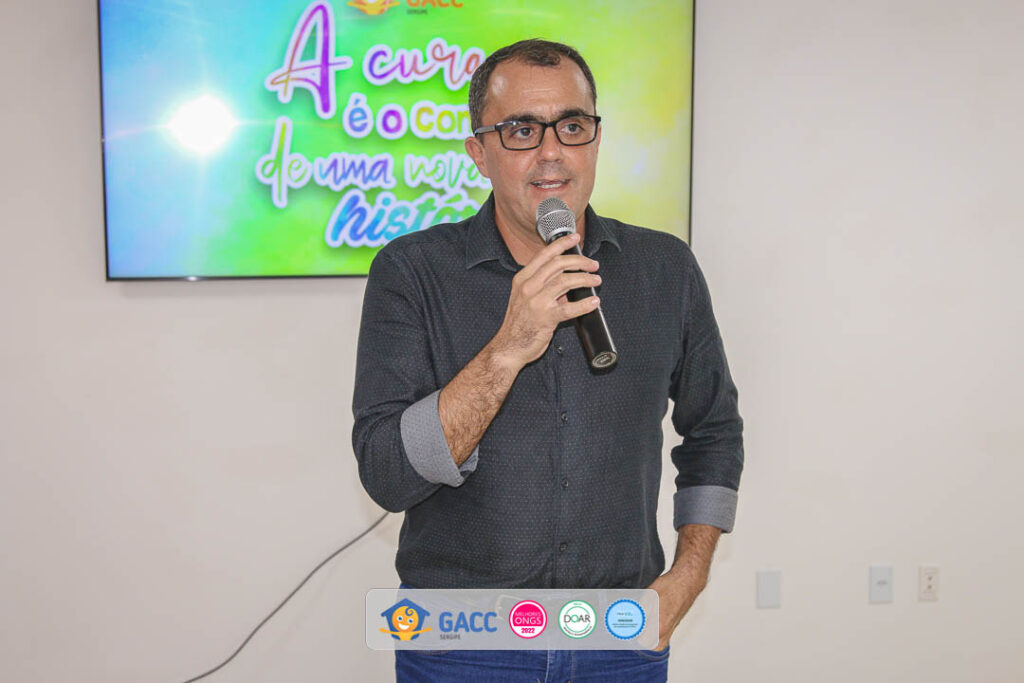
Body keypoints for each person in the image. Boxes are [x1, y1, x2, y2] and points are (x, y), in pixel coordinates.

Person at [352, 39, 744, 682]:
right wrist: (508, 346)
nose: (552, 151)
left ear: (596, 138)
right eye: (521, 131)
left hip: (620, 641)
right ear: (478, 152)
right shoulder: (412, 271)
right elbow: (387, 477)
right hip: (459, 645)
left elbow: (714, 432)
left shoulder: (665, 269)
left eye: (572, 125)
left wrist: (688, 575)